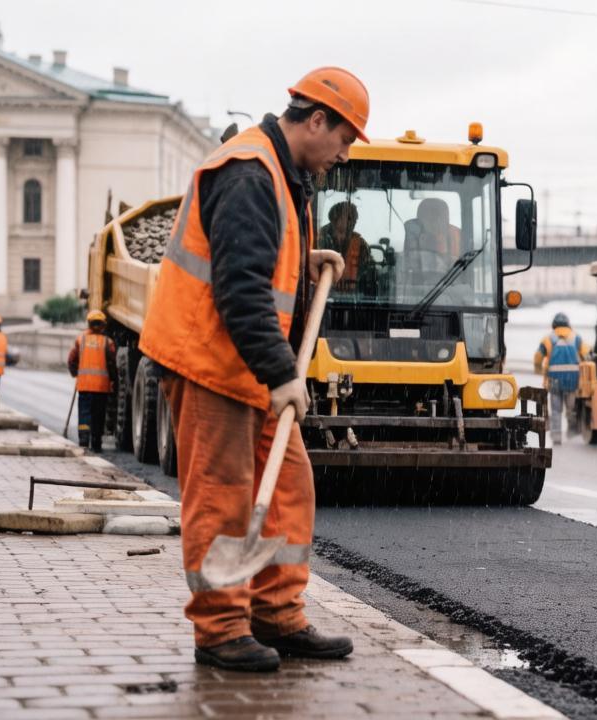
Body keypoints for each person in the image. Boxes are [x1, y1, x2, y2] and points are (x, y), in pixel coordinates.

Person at [138, 67, 365, 673]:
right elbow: (239, 289)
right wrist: (283, 373)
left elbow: (262, 263)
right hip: (208, 360)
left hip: (246, 365)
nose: (343, 155)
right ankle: (220, 630)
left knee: (288, 488)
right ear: (316, 120)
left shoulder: (288, 175)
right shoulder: (247, 172)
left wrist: (301, 263)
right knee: (224, 499)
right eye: (344, 139)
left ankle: (275, 613)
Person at [67, 310, 118, 452]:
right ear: (103, 325)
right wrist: (114, 380)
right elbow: (112, 364)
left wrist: (75, 373)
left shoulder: (80, 340)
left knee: (84, 413)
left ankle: (83, 439)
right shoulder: (108, 343)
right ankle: (96, 443)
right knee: (98, 415)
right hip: (101, 388)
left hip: (84, 386)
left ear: (88, 324)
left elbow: (72, 360)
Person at [534, 312, 588, 445]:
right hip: (573, 380)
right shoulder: (577, 338)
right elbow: (587, 355)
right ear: (568, 324)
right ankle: (572, 434)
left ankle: (557, 436)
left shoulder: (548, 339)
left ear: (554, 325)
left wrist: (538, 370)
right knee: (571, 409)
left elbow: (538, 357)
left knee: (556, 410)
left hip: (554, 380)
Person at [317, 202, 371, 291]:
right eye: (349, 218)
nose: (354, 221)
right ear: (335, 218)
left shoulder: (361, 244)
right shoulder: (318, 238)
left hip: (353, 298)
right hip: (322, 293)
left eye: (355, 218)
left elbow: (367, 270)